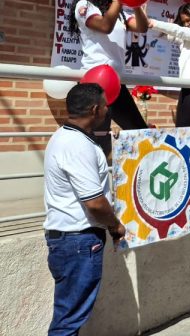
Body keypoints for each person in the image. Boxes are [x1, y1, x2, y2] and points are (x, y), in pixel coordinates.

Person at [43, 83, 126, 334]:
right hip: (77, 242)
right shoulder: (77, 145)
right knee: (68, 322)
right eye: (105, 105)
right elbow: (95, 202)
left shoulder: (67, 137)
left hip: (70, 241)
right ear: (95, 109)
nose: (107, 110)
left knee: (70, 317)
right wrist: (115, 226)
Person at [68, 0, 148, 157]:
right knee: (96, 139)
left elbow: (142, 28)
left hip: (115, 82)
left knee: (138, 129)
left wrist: (135, 2)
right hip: (95, 82)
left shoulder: (117, 11)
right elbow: (104, 26)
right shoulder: (85, 5)